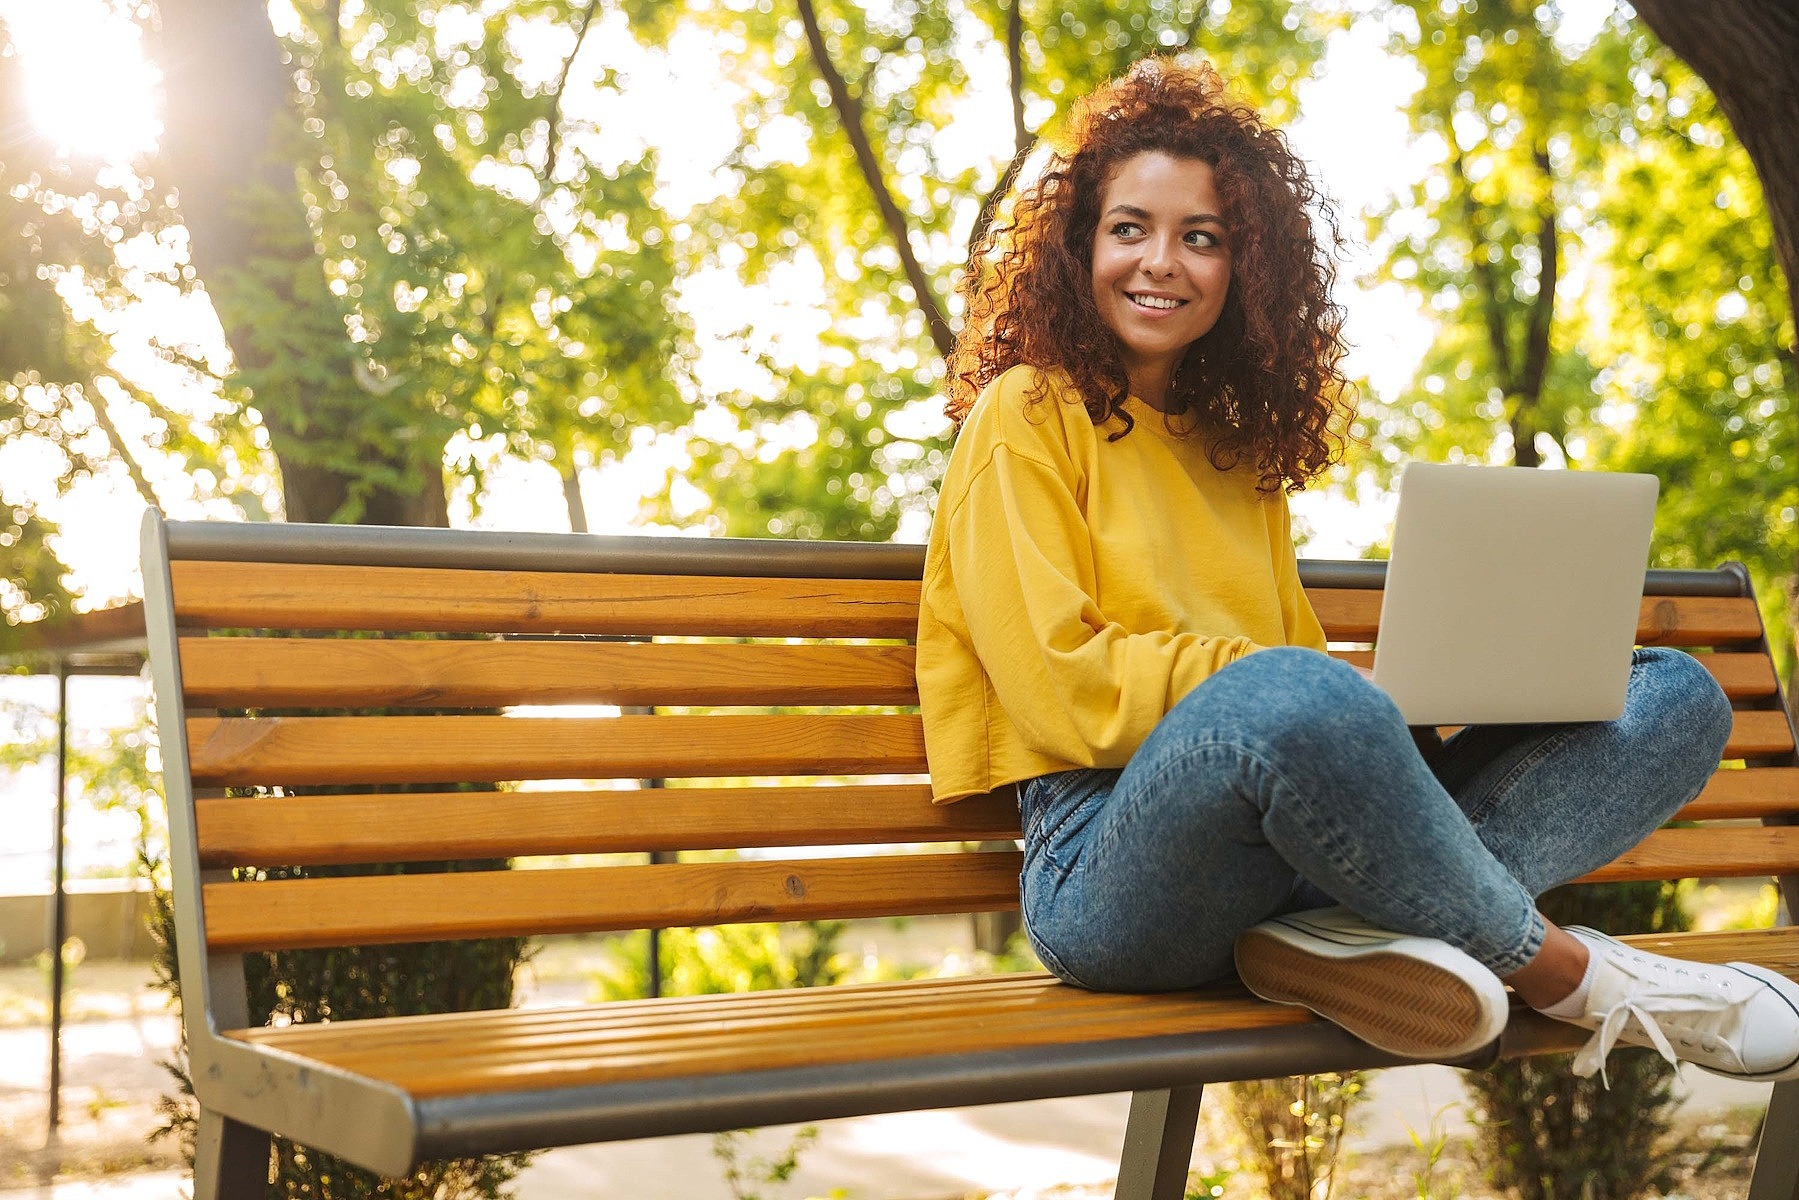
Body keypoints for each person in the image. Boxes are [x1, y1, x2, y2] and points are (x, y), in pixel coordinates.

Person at [915, 56, 1799, 1082]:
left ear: (1242, 271)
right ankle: (1574, 975)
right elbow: (1055, 683)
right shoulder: (1025, 411)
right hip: (1105, 868)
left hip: (1297, 855)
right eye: (1129, 228)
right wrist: (1317, 692)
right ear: (1079, 247)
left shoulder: (1233, 455)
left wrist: (1423, 693)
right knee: (1292, 690)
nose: (1161, 261)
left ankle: (1359, 931)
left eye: (1200, 237)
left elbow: (1298, 697)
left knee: (1670, 695)